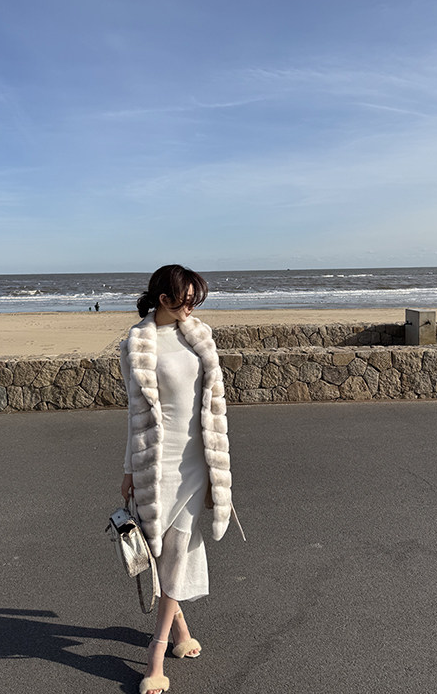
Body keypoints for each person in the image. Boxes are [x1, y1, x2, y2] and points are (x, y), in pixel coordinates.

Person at [119, 264, 244, 694]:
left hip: (197, 460)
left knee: (179, 547)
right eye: (185, 300)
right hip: (158, 462)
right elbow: (134, 415)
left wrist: (217, 458)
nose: (191, 307)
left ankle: (155, 654)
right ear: (163, 298)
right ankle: (180, 631)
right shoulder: (138, 344)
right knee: (162, 550)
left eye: (196, 300)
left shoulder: (199, 336)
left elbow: (211, 402)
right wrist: (128, 469)